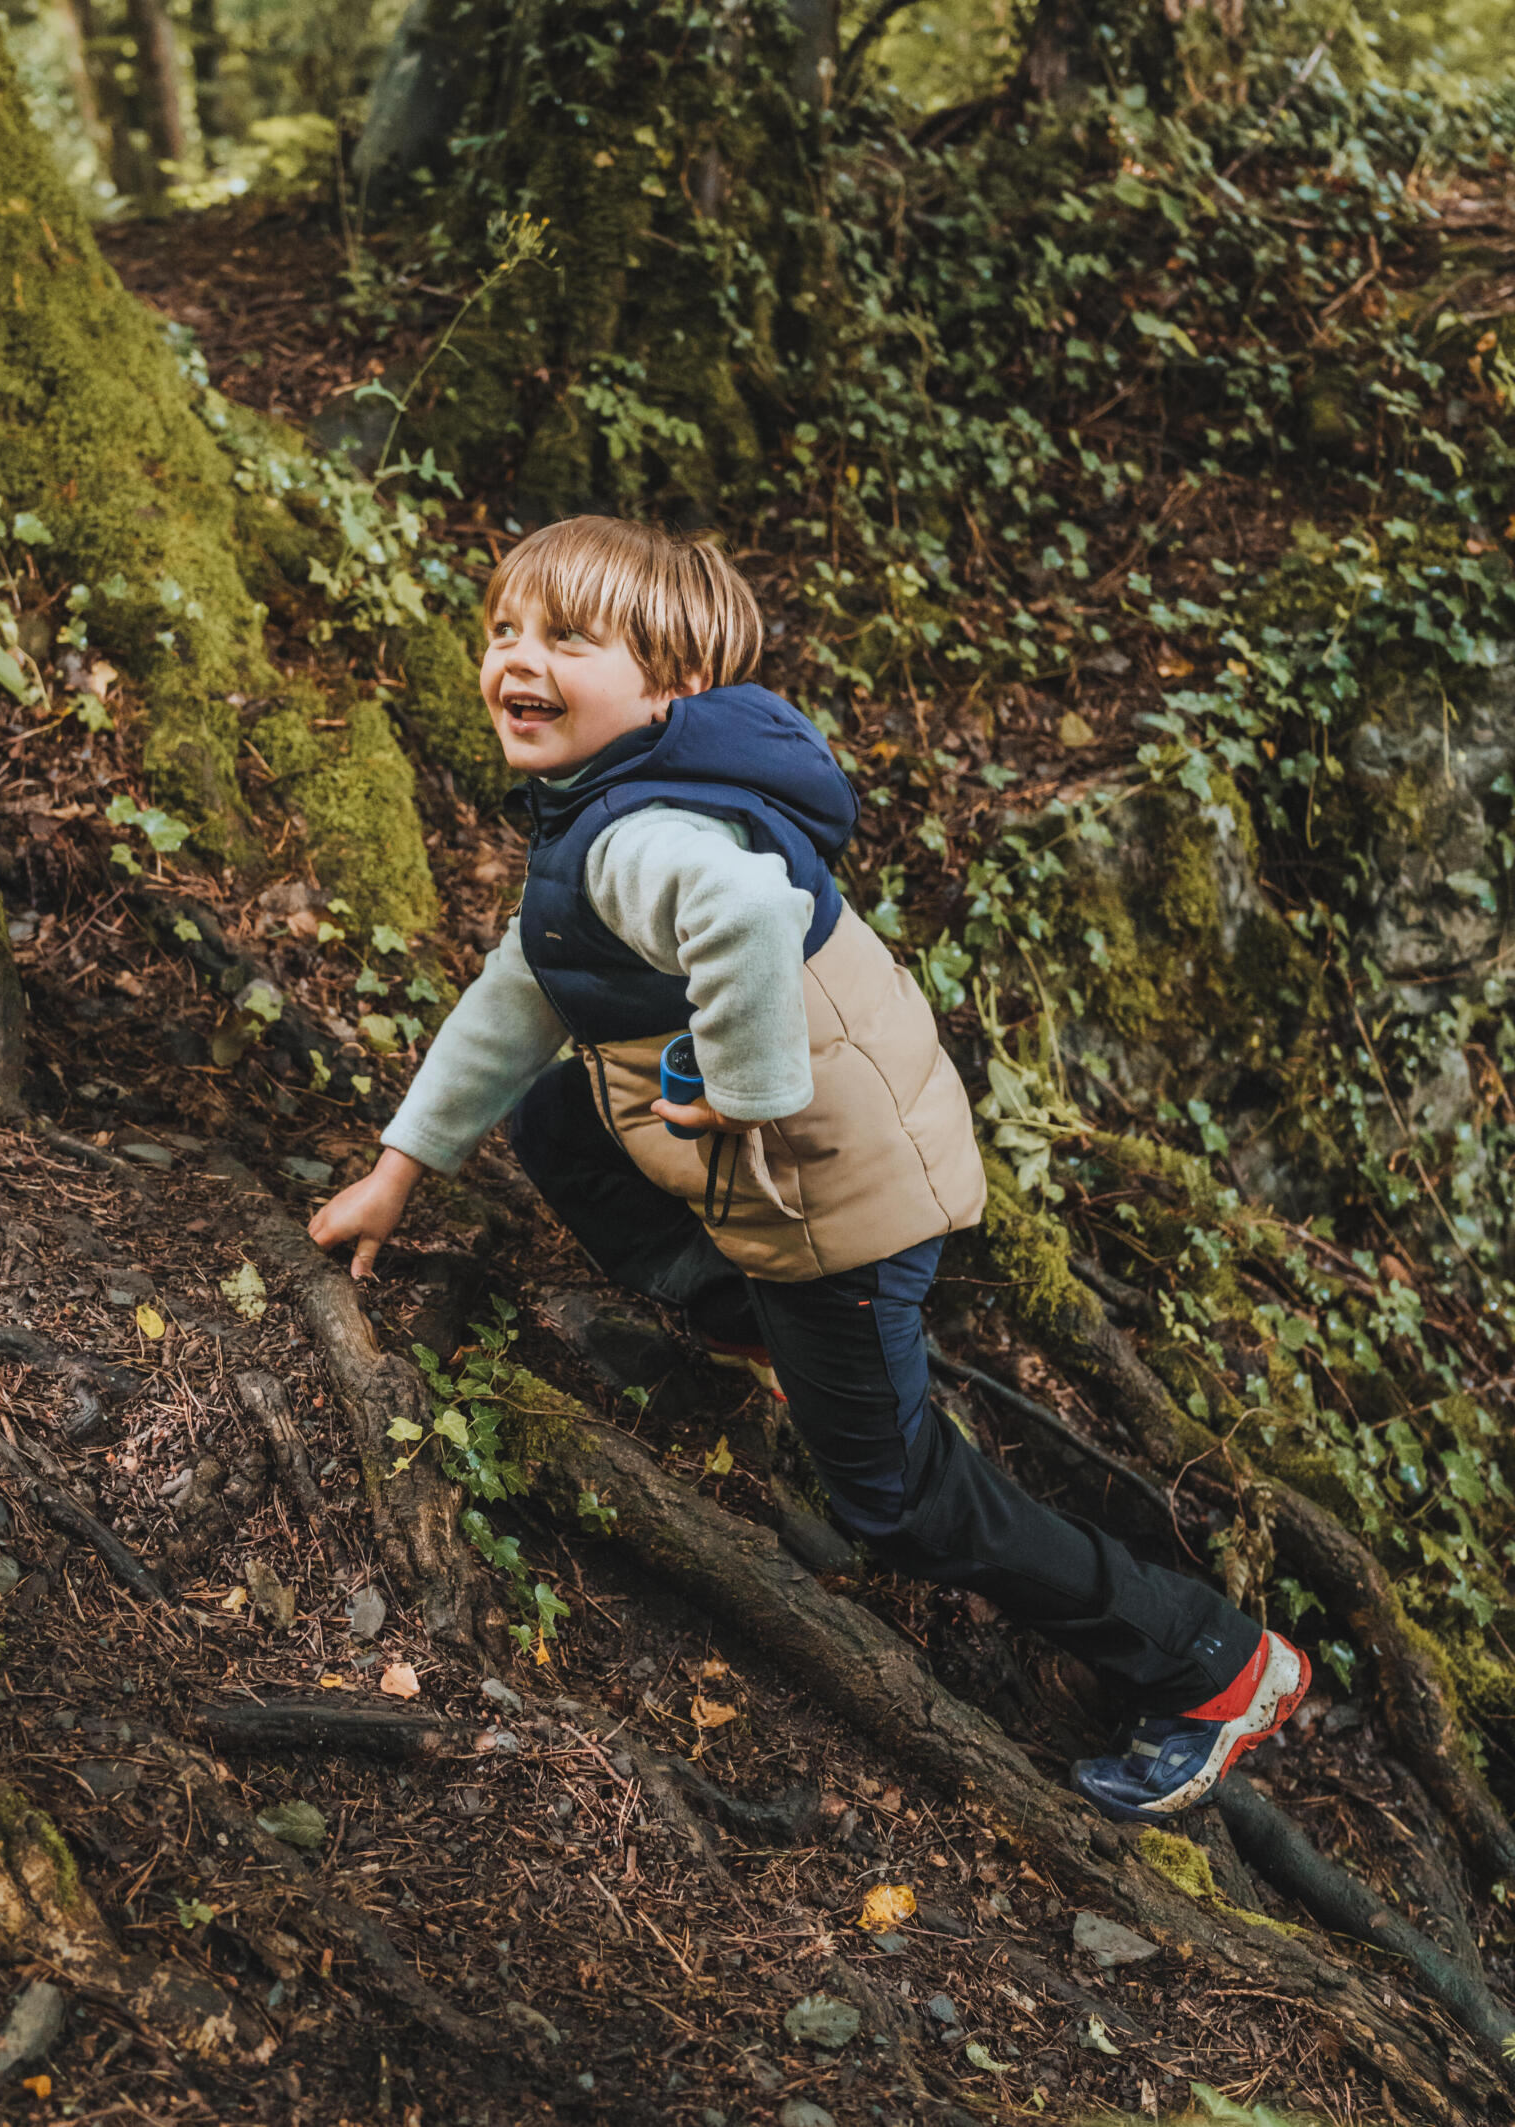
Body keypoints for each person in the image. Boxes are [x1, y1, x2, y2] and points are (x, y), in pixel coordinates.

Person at [310, 515, 1308, 1822]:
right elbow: (523, 990)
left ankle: (1218, 1666)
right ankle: (745, 1325)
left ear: (667, 687)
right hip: (845, 1154)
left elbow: (742, 916)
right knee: (555, 1117)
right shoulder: (611, 812)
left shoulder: (637, 837)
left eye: (566, 638)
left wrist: (741, 1090)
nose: (517, 660)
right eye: (506, 631)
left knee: (894, 1502)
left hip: (843, 1205)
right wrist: (401, 1167)